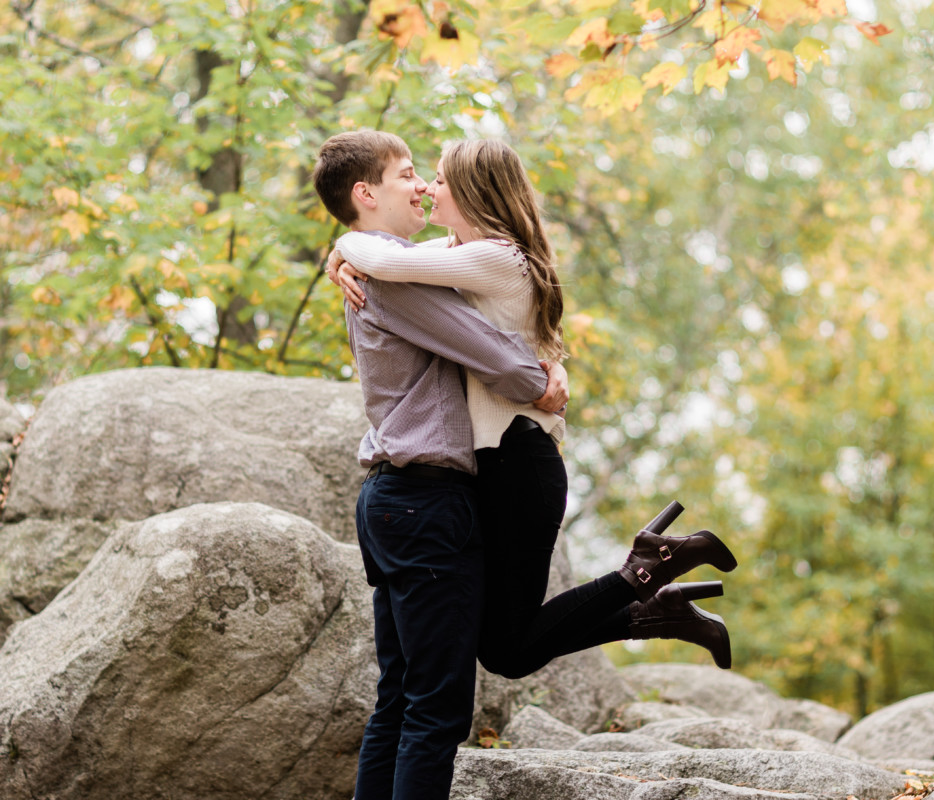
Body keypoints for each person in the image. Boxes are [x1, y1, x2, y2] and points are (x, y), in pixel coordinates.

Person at [325, 138, 738, 683]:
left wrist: (341, 248)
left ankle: (650, 568)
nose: (426, 187)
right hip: (498, 463)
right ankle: (657, 609)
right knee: (503, 645)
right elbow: (393, 264)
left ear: (474, 192)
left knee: (507, 651)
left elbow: (383, 259)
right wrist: (345, 255)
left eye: (441, 179)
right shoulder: (458, 258)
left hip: (519, 460)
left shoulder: (494, 256)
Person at [311, 130, 567, 800]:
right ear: (365, 194)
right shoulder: (394, 278)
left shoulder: (389, 265)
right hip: (424, 501)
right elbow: (505, 361)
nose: (421, 185)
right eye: (406, 174)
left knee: (399, 701)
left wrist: (338, 248)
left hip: (397, 500)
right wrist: (544, 381)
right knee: (434, 710)